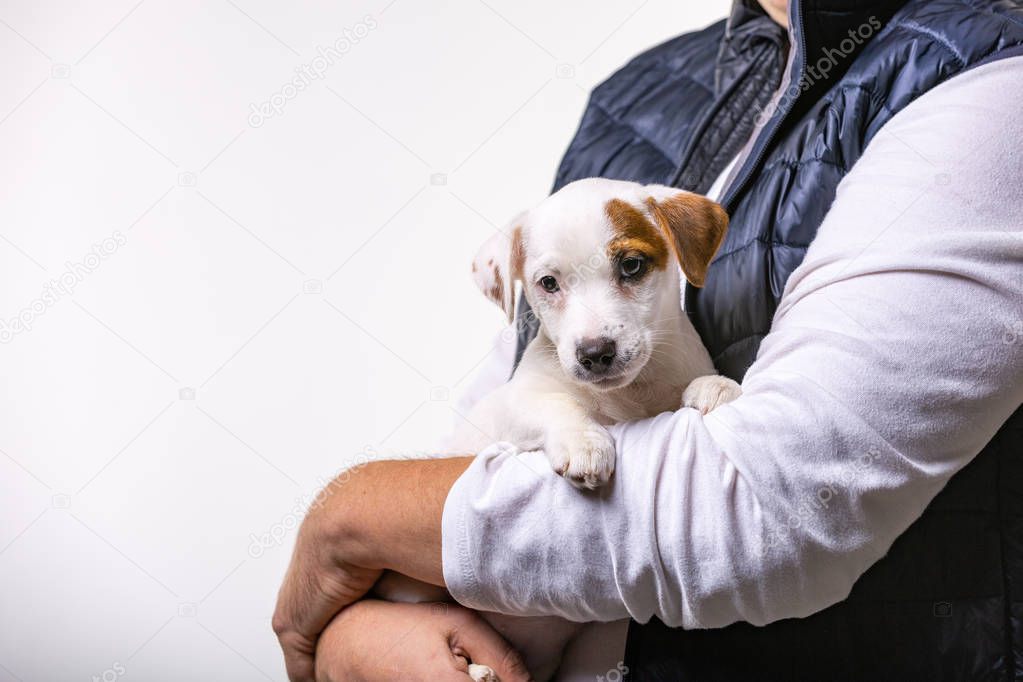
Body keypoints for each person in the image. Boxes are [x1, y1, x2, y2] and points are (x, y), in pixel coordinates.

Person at [274, 0, 1023, 679]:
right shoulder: (637, 92)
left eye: (630, 269)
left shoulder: (988, 70)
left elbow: (768, 512)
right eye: (549, 290)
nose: (591, 329)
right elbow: (486, 427)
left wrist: (355, 521)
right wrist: (356, 631)